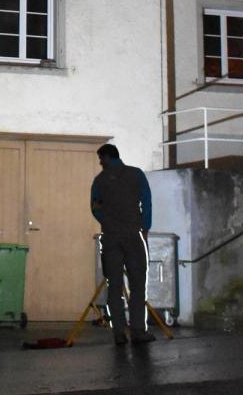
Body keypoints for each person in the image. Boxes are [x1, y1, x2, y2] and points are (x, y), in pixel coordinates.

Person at [91, 143, 154, 345]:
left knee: (114, 287)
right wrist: (145, 227)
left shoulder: (99, 181)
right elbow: (147, 201)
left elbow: (95, 208)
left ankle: (119, 333)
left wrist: (108, 222)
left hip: (110, 239)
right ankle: (138, 331)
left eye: (101, 159)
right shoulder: (136, 174)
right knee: (138, 285)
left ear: (107, 157)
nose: (100, 163)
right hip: (133, 236)